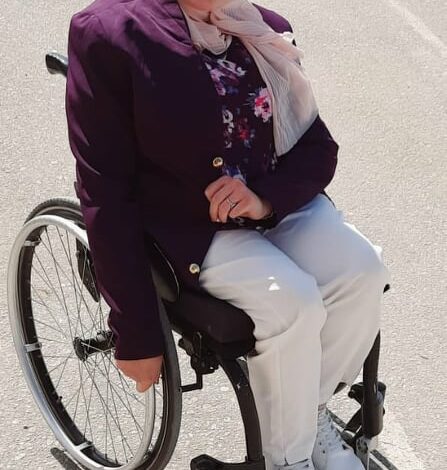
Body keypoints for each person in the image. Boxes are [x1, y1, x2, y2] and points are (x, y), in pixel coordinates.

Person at [65, 0, 390, 469]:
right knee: (292, 302)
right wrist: (135, 333)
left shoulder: (261, 27)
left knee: (362, 271)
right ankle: (289, 461)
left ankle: (309, 413)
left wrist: (264, 199)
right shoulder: (110, 33)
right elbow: (104, 189)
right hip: (189, 225)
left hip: (269, 203)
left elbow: (317, 147)